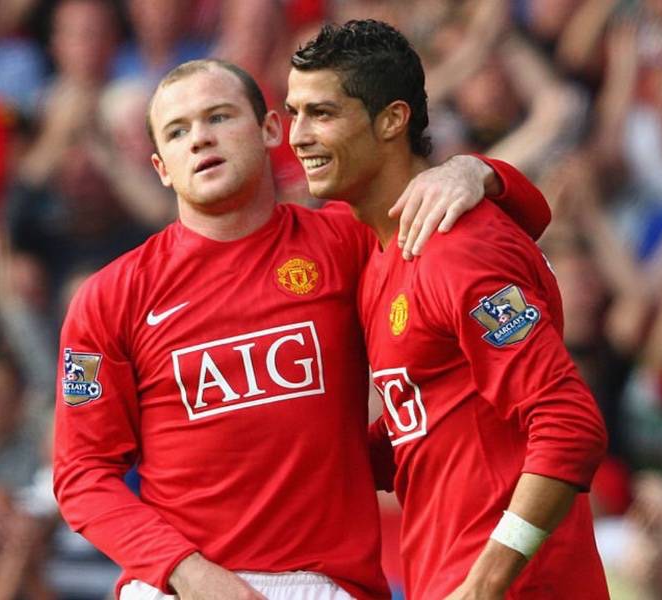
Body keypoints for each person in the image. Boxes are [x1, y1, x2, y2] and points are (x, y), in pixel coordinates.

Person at [53, 57, 549, 600]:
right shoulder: (109, 298)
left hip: (324, 583)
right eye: (177, 131)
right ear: (161, 167)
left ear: (271, 130)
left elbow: (509, 239)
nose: (199, 139)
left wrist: (476, 172)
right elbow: (81, 475)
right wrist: (188, 572)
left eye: (218, 117)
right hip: (178, 582)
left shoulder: (347, 240)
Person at [286, 20, 608, 599]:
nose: (297, 137)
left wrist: (483, 585)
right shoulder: (386, 251)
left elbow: (569, 425)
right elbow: (432, 425)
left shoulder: (459, 249)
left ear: (392, 119)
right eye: (294, 113)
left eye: (321, 114)